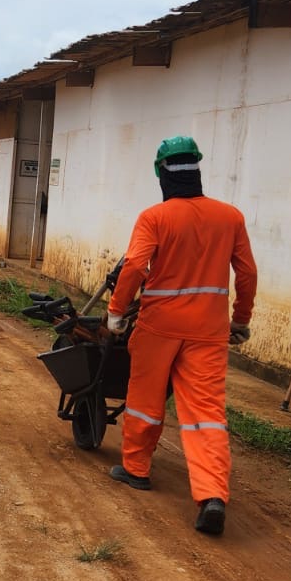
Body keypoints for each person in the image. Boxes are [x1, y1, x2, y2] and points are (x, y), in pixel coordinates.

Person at [104, 136, 257, 537]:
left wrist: (117, 312)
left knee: (145, 401)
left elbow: (135, 265)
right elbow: (247, 273)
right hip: (208, 332)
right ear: (198, 171)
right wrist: (240, 320)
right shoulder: (230, 217)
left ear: (161, 174)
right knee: (205, 413)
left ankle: (136, 469)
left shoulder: (155, 217)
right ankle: (212, 496)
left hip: (158, 328)